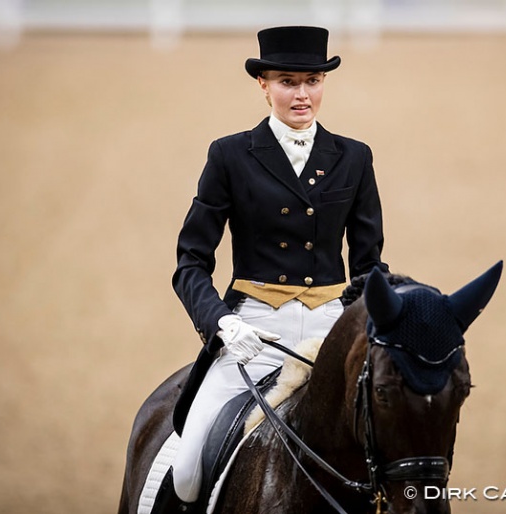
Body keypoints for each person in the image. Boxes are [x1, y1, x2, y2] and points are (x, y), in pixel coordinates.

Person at [151, 25, 389, 513]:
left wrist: (367, 316)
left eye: (312, 81)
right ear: (264, 85)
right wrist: (221, 322)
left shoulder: (354, 158)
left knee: (390, 454)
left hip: (328, 334)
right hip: (252, 330)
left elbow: (368, 266)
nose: (301, 94)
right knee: (191, 469)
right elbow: (191, 262)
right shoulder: (230, 155)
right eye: (287, 81)